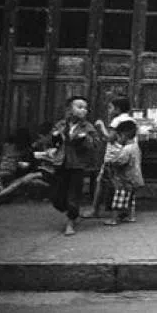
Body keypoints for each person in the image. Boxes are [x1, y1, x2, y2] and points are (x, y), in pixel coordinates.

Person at [49, 96, 100, 236]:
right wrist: (55, 138)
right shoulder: (60, 125)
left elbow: (95, 144)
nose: (83, 110)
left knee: (74, 194)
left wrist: (84, 140)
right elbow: (53, 141)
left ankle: (70, 222)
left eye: (85, 108)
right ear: (69, 109)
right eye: (79, 107)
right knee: (57, 197)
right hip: (61, 162)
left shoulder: (88, 127)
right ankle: (72, 212)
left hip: (77, 164)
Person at [83, 97, 135, 218]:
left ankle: (95, 209)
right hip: (126, 155)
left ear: (117, 109)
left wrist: (101, 126)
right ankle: (124, 210)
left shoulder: (116, 121)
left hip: (113, 157)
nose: (109, 110)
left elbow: (110, 138)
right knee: (123, 183)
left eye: (111, 107)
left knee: (101, 182)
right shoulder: (131, 119)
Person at [103, 119, 144, 225]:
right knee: (130, 199)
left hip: (125, 179)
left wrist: (112, 161)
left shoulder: (127, 149)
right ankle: (130, 216)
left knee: (118, 198)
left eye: (118, 137)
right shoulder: (135, 147)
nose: (117, 140)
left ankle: (113, 219)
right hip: (135, 177)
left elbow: (120, 161)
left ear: (123, 135)